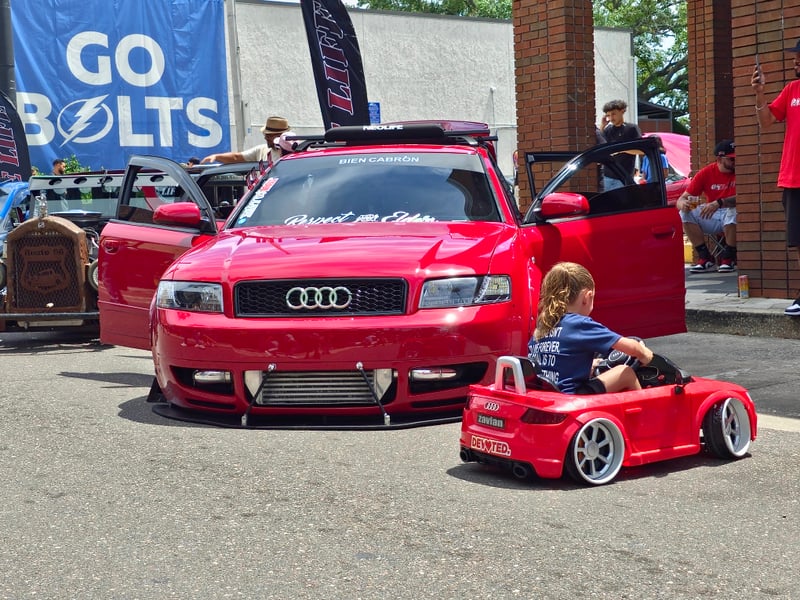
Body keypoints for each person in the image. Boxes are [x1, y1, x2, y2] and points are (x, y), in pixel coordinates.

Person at [528, 262, 653, 395]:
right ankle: (647, 414)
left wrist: (591, 364)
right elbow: (631, 348)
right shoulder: (579, 324)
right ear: (586, 298)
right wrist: (645, 354)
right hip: (573, 397)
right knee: (625, 372)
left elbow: (558, 364)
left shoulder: (543, 326)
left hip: (550, 395)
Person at [752, 39, 800, 316]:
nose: (795, 61)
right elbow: (767, 121)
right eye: (794, 56)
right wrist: (760, 94)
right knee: (797, 240)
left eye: (799, 56)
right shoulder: (791, 89)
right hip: (793, 178)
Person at [677, 140, 737, 273]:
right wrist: (684, 205)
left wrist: (719, 202)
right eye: (731, 159)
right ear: (720, 159)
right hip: (713, 215)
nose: (735, 162)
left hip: (732, 213)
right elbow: (681, 199)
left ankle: (728, 257)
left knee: (733, 212)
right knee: (685, 213)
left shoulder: (741, 172)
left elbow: (745, 198)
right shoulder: (706, 172)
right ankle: (705, 257)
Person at [201, 116, 290, 164]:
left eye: (269, 135)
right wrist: (216, 157)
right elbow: (237, 157)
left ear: (280, 136)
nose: (265, 138)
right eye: (265, 135)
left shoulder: (295, 154)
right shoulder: (262, 150)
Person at [601, 99, 642, 190]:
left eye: (614, 114)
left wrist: (621, 149)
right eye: (608, 115)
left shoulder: (632, 128)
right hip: (607, 176)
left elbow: (641, 150)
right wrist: (602, 126)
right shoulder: (608, 130)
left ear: (622, 111)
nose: (611, 118)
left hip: (623, 177)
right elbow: (599, 146)